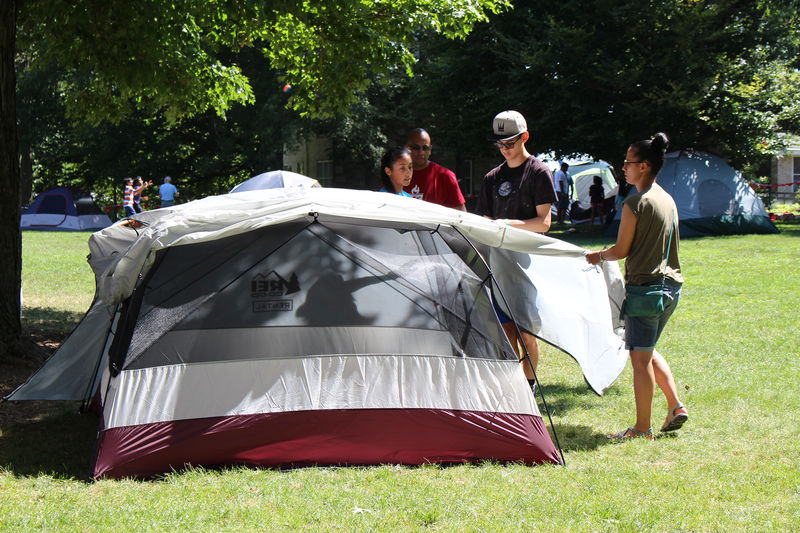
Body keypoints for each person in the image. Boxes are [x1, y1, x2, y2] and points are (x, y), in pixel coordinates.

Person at [585, 132, 688, 440]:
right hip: (671, 289)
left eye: (628, 163)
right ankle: (675, 406)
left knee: (639, 360)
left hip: (646, 292)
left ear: (643, 166)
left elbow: (620, 250)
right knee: (646, 348)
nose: (624, 168)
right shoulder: (667, 199)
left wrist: (596, 256)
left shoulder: (634, 202)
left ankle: (642, 428)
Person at [477, 110, 558, 385]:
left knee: (526, 332)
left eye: (510, 143)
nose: (504, 150)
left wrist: (511, 225)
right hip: (497, 264)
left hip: (526, 265)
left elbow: (544, 223)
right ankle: (514, 390)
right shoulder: (492, 178)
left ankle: (529, 387)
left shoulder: (538, 172)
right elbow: (486, 222)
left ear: (525, 137)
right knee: (506, 330)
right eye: (499, 144)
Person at [403, 128, 466, 211]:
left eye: (425, 148)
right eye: (416, 147)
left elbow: (461, 215)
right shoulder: (396, 174)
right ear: (407, 148)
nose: (421, 152)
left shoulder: (446, 176)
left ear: (430, 150)